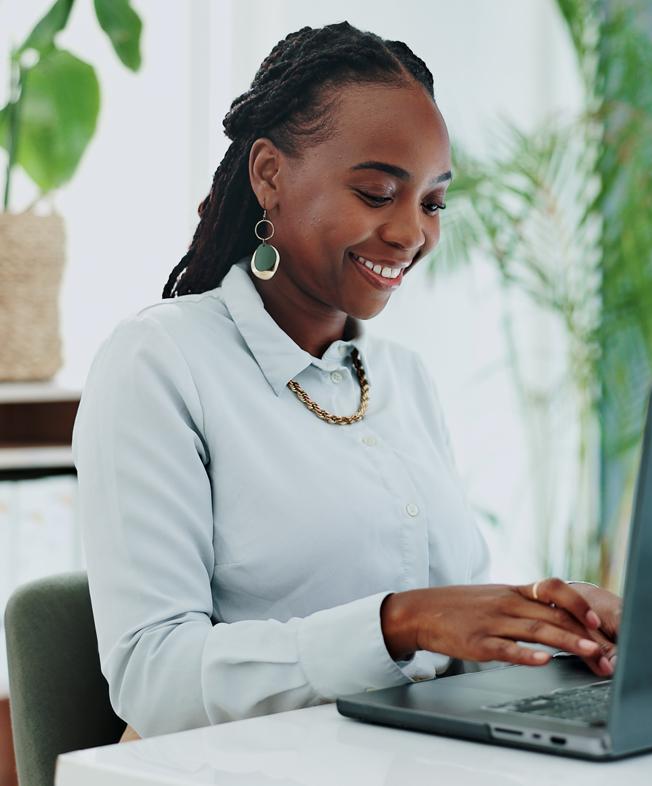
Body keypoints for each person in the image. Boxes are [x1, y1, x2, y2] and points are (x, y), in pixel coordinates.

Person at [73, 21, 621, 743]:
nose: (410, 233)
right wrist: (398, 623)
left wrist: (546, 626)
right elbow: (154, 678)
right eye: (375, 192)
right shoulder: (159, 363)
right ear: (269, 173)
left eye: (431, 202)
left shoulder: (403, 380)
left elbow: (446, 657)